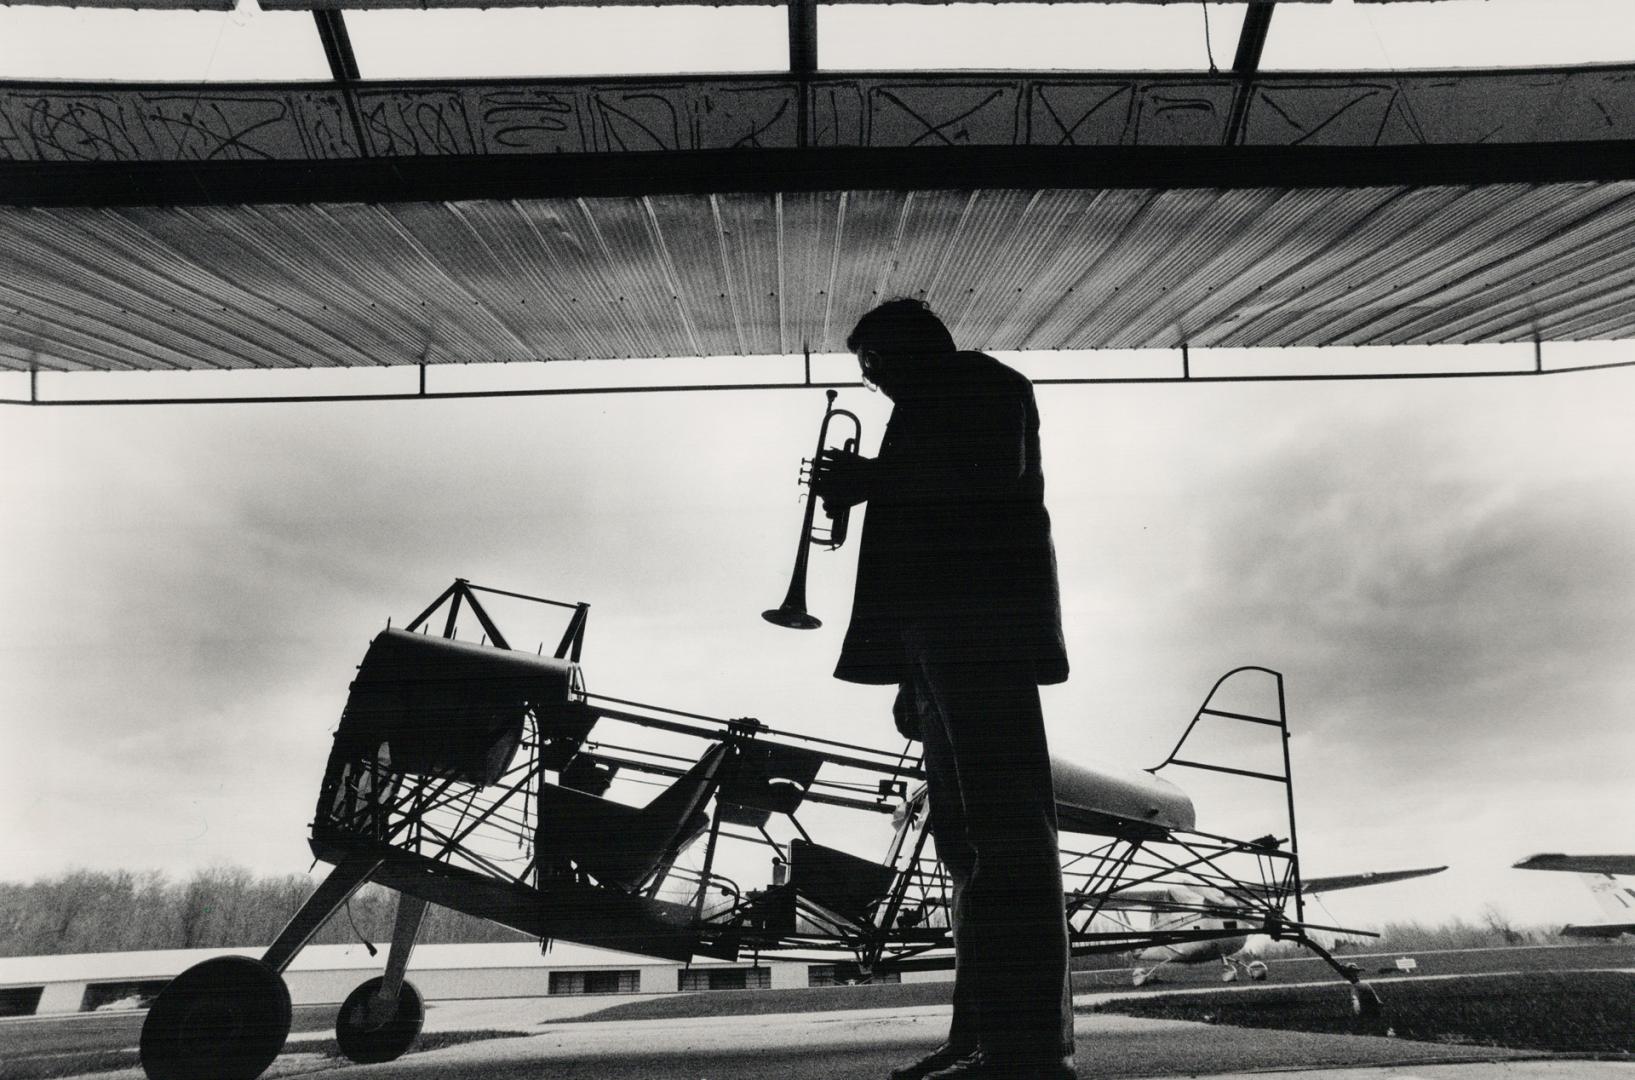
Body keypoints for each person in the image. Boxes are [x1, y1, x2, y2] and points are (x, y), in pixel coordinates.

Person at [811, 299, 1075, 1080]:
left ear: (918, 348)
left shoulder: (983, 384)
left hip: (978, 629)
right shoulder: (928, 404)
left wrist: (870, 481)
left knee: (1006, 841)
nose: (877, 384)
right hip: (938, 640)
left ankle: (1025, 1052)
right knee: (968, 848)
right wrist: (905, 670)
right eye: (869, 375)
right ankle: (985, 1037)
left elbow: (992, 477)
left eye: (880, 366)